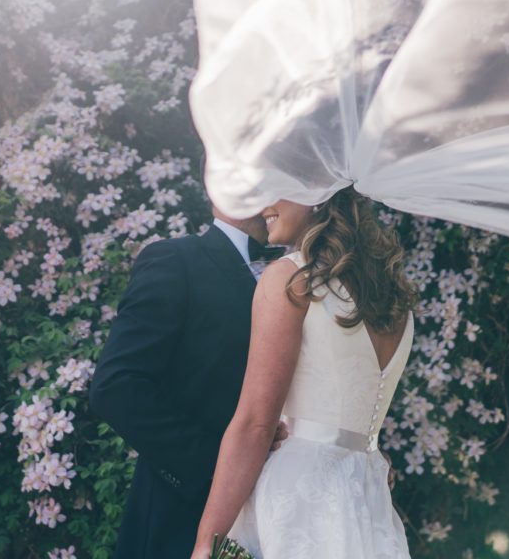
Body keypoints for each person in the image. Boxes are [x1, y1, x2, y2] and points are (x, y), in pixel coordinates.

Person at [191, 185, 417, 558]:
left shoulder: (290, 280)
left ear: (317, 191)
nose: (263, 204)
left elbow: (255, 425)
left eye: (277, 189)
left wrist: (206, 543)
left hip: (296, 499)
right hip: (366, 494)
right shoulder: (395, 298)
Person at [90, 202, 289, 559]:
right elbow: (117, 387)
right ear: (223, 188)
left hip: (288, 511)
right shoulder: (175, 261)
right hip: (183, 514)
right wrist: (222, 463)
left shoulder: (302, 274)